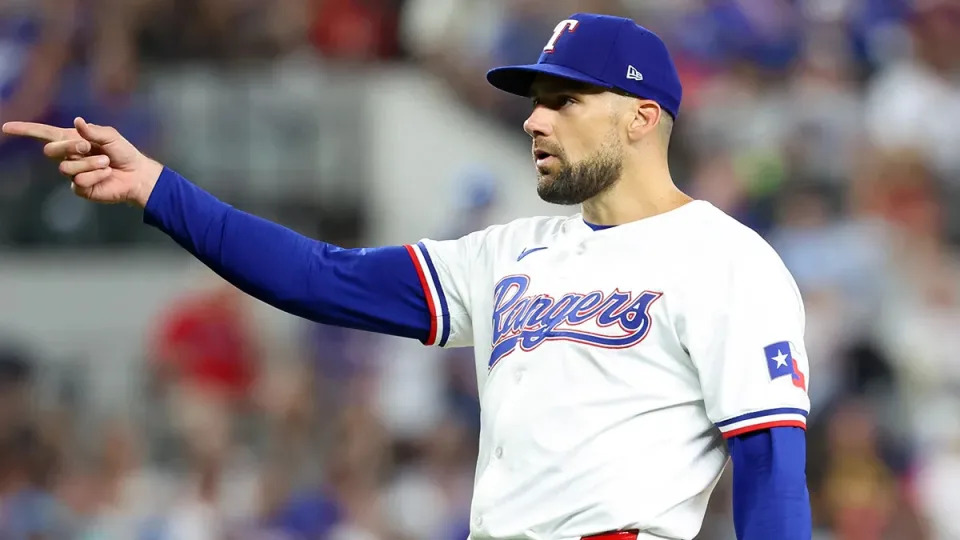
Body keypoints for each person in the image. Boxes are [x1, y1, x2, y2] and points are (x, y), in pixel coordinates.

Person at [4, 12, 812, 540]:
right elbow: (317, 277)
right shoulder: (507, 253)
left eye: (564, 100)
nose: (533, 116)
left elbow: (770, 465)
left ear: (642, 117)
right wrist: (158, 188)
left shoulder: (727, 261)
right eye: (534, 99)